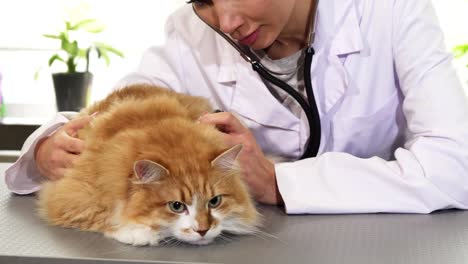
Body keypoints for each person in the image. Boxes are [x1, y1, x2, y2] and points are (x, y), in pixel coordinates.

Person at [5, 0, 468, 214]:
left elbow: (454, 166)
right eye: (206, 0)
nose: (226, 22)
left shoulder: (393, 10)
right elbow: (119, 110)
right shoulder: (191, 31)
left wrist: (277, 181)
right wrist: (48, 147)